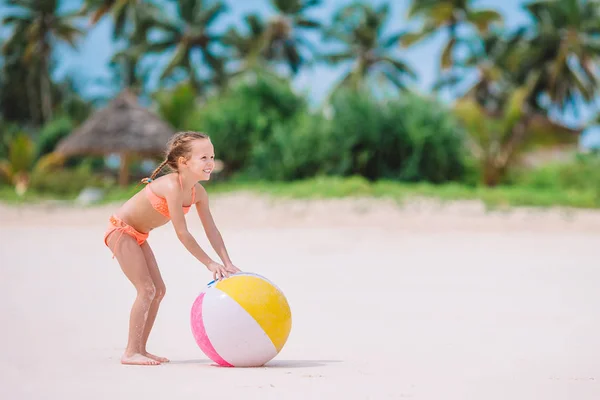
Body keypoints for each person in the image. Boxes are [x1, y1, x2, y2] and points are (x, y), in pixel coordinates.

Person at [103, 131, 241, 366]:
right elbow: (182, 232)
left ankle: (141, 349)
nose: (211, 163)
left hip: (138, 235)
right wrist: (209, 262)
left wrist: (226, 261)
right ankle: (130, 352)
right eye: (204, 158)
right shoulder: (171, 187)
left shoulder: (198, 192)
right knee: (146, 289)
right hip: (121, 231)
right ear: (183, 162)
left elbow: (211, 230)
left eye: (212, 156)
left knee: (158, 291)